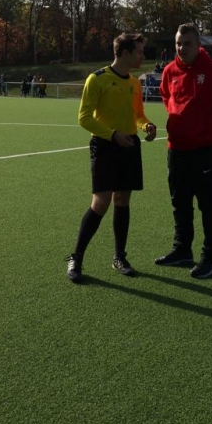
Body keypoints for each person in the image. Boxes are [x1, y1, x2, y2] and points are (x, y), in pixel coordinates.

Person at [156, 23, 212, 279]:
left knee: (209, 205)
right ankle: (182, 250)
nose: (181, 48)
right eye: (178, 43)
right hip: (176, 149)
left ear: (198, 45)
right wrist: (176, 116)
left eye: (187, 43)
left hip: (205, 150)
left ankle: (210, 257)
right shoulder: (169, 71)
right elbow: (165, 95)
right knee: (179, 203)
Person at [66, 33, 157, 284]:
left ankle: (119, 257)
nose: (142, 56)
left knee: (122, 200)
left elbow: (138, 115)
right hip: (105, 145)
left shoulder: (135, 83)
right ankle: (76, 257)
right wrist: (112, 135)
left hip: (129, 145)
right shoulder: (97, 79)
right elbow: (84, 118)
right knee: (101, 202)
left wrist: (147, 126)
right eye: (139, 52)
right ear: (125, 53)